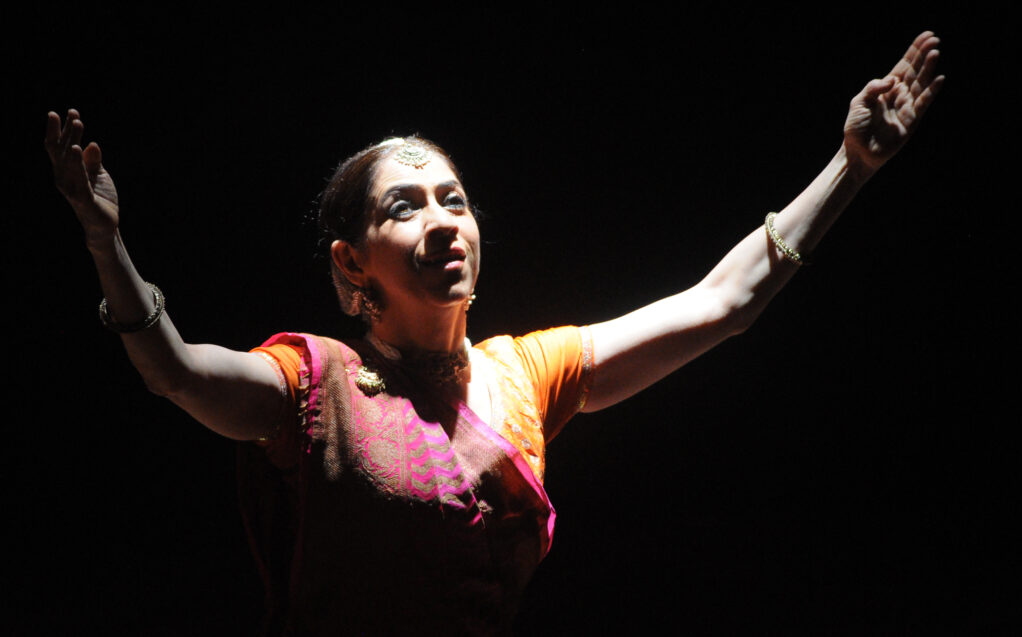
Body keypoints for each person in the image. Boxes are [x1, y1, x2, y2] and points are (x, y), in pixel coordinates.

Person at [45, 31, 943, 636]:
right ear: (353, 266)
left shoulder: (527, 372)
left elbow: (723, 302)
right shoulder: (313, 384)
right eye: (406, 206)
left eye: (456, 200)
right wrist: (104, 242)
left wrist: (851, 168)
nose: (444, 221)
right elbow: (175, 370)